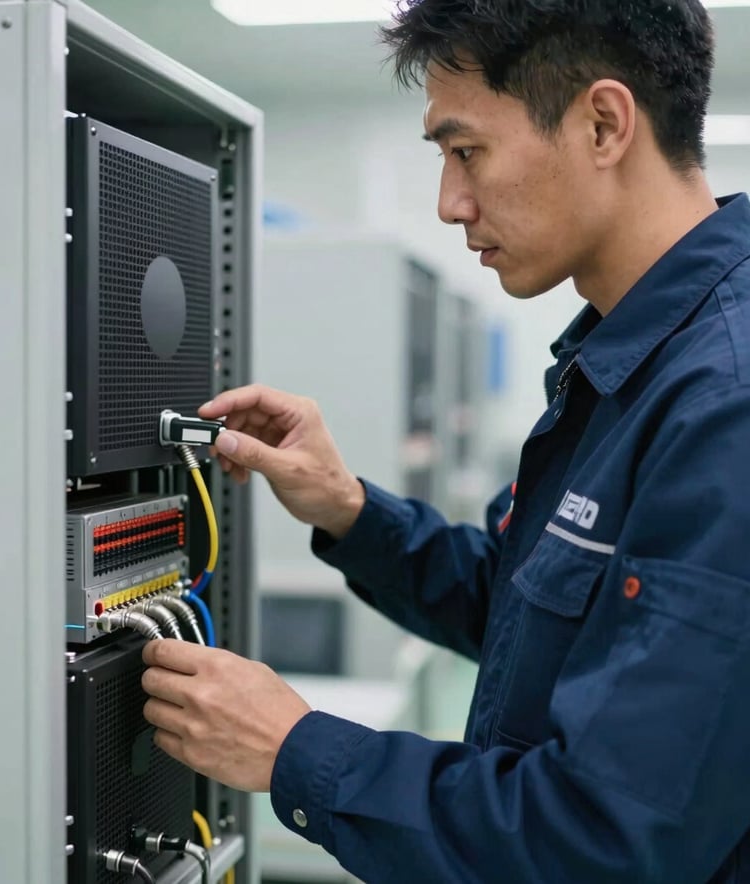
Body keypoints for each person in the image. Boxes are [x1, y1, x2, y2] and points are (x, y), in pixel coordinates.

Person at [140, 1, 750, 881]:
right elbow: (519, 607)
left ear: (604, 124)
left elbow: (606, 841)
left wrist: (294, 750)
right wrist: (349, 510)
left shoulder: (721, 403)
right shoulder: (622, 362)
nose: (449, 203)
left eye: (466, 152)